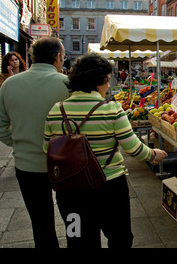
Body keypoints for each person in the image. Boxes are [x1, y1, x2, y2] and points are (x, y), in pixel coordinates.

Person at [43, 53, 168, 249]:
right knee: (120, 238)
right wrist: (154, 155)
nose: (109, 86)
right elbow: (133, 148)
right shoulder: (111, 109)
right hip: (109, 187)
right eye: (107, 80)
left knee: (77, 240)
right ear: (98, 81)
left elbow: (47, 149)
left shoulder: (56, 110)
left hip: (70, 191)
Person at [0, 37, 70, 248]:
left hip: (27, 165)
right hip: (65, 164)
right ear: (58, 57)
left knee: (41, 223)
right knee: (73, 216)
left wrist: (18, 144)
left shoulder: (9, 84)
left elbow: (2, 126)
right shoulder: (67, 84)